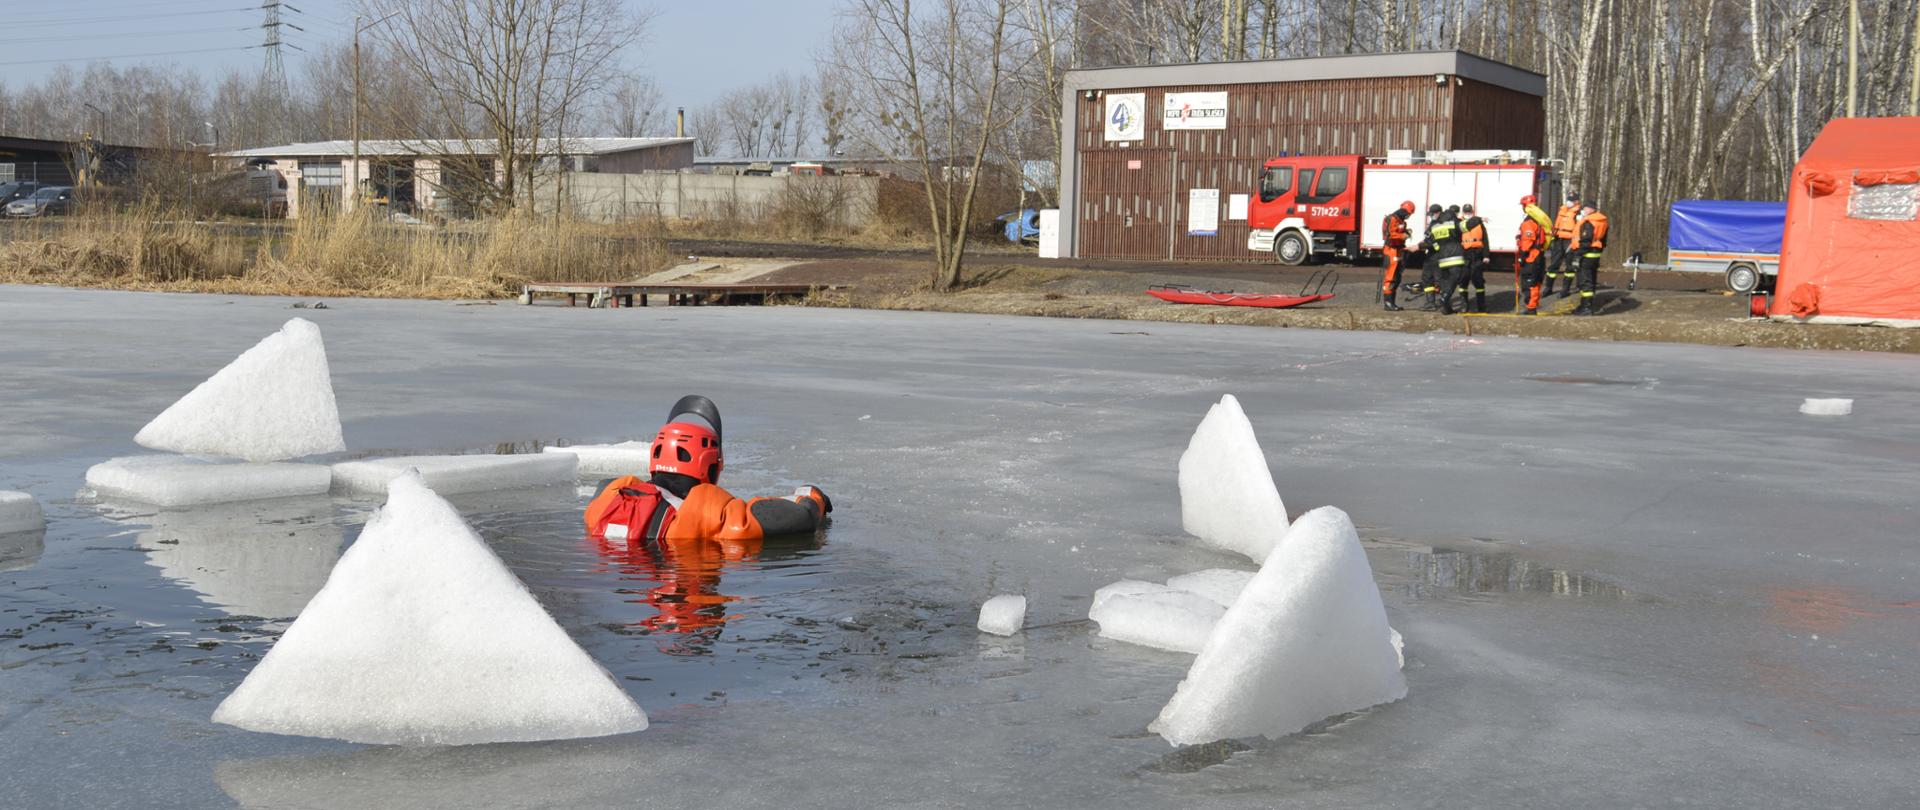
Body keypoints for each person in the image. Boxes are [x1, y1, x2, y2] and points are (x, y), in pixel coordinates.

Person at [585, 395, 832, 544]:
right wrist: (812, 494)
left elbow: (603, 487)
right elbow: (802, 517)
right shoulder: (710, 513)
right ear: (708, 463)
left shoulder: (608, 499)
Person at [1425, 206, 1468, 315]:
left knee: (1444, 282)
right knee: (1453, 279)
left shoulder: (1435, 225)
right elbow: (1464, 228)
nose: (1431, 216)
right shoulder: (1455, 222)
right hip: (1454, 255)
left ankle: (1446, 308)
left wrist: (1437, 248)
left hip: (1441, 257)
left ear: (1438, 213)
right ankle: (1445, 301)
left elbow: (1429, 239)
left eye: (1432, 214)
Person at [1573, 203, 1610, 316]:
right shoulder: (1602, 221)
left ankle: (1586, 307)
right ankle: (1585, 305)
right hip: (1595, 253)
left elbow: (1586, 240)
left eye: (1585, 208)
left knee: (1585, 281)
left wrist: (1578, 255)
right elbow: (1603, 239)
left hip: (1586, 254)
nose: (1583, 211)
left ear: (1590, 209)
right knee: (1591, 280)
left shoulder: (1589, 222)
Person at [1515, 195, 1549, 315]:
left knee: (1529, 283)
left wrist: (1522, 256)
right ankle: (1532, 306)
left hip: (1531, 257)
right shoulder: (1538, 221)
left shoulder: (1528, 222)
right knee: (1535, 283)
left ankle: (1531, 307)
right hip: (1539, 256)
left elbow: (1528, 241)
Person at [1380, 200, 1415, 311]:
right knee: (1390, 277)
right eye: (1409, 214)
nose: (1409, 216)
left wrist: (1407, 232)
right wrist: (1403, 235)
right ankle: (1388, 304)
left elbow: (1399, 232)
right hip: (1391, 250)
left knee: (1397, 277)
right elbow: (1390, 235)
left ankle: (1392, 303)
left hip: (1399, 250)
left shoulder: (1402, 221)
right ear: (1405, 211)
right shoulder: (1392, 219)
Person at [1545, 192, 1582, 297]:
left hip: (1570, 241)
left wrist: (1575, 243)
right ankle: (1548, 288)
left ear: (1577, 201)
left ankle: (1565, 290)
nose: (1569, 202)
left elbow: (1579, 229)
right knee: (1553, 265)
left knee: (1569, 267)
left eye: (1572, 200)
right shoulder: (1562, 210)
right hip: (1558, 239)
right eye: (1568, 199)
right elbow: (1556, 225)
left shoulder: (1579, 213)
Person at [1458, 203, 1490, 313]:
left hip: (1477, 253)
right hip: (1465, 253)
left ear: (1472, 211)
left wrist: (1486, 255)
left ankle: (1481, 306)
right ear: (1463, 212)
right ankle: (1464, 306)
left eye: (1469, 211)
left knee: (1478, 280)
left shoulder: (1479, 223)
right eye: (1466, 212)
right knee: (1463, 280)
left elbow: (1485, 239)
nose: (1468, 213)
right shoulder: (1460, 222)